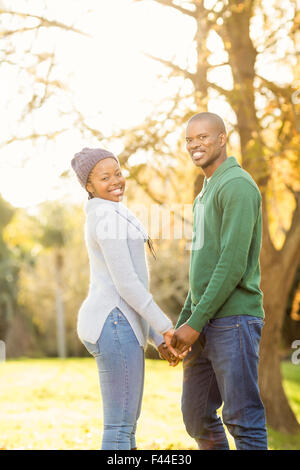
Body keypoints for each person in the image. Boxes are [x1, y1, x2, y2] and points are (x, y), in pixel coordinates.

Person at [71, 148, 180, 450]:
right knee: (119, 428)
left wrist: (157, 337)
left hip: (119, 322)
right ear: (89, 187)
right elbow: (127, 285)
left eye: (117, 173)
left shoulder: (114, 212)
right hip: (113, 323)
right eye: (104, 177)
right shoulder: (106, 217)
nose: (115, 181)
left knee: (127, 428)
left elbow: (130, 289)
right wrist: (165, 327)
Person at [171, 112, 268, 450]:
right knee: (195, 414)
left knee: (244, 420)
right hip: (206, 320)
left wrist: (195, 323)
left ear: (222, 138)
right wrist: (183, 325)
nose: (195, 144)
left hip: (235, 321)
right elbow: (203, 269)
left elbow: (231, 264)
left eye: (203, 137)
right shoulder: (204, 193)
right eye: (189, 139)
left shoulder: (238, 185)